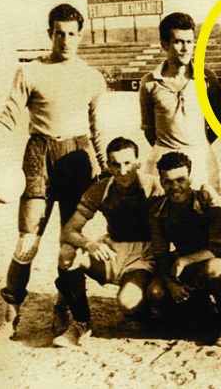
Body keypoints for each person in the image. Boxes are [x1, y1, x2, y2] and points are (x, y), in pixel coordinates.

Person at [0, 4, 107, 348]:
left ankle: (66, 311)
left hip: (77, 158)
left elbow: (98, 130)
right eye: (59, 33)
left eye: (72, 34)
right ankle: (9, 321)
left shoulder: (92, 77)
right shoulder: (30, 71)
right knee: (28, 240)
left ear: (80, 36)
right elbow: (8, 116)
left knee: (70, 243)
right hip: (39, 155)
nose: (65, 40)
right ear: (49, 33)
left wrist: (106, 168)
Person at [52, 137, 162, 346]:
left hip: (143, 255)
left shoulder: (153, 186)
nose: (122, 171)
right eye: (116, 164)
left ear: (138, 162)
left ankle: (145, 308)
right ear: (108, 166)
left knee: (128, 303)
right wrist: (89, 244)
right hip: (113, 250)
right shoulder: (101, 188)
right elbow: (68, 231)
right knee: (67, 254)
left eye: (127, 163)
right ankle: (81, 323)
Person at [146, 152, 221, 346]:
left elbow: (219, 244)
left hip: (220, 256)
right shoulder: (158, 211)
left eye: (180, 180)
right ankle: (201, 311)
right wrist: (171, 284)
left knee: (213, 268)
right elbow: (160, 253)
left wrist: (184, 260)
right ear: (161, 182)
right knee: (156, 291)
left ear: (190, 178)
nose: (175, 187)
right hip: (187, 261)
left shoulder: (206, 198)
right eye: (168, 182)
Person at [139, 12, 221, 193]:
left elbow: (217, 125)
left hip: (200, 160)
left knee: (205, 206)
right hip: (163, 160)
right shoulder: (149, 83)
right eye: (178, 42)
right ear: (164, 45)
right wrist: (169, 148)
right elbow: (149, 130)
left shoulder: (208, 79)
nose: (185, 48)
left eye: (189, 42)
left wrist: (196, 146)